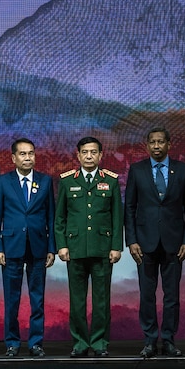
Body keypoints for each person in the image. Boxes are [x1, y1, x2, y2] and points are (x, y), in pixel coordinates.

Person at [125, 127, 185, 358]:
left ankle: (168, 339)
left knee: (171, 295)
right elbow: (130, 208)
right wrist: (132, 240)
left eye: (161, 142)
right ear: (147, 145)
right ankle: (149, 340)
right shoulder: (137, 170)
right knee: (146, 295)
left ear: (168, 144)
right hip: (144, 244)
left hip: (175, 244)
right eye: (152, 142)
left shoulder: (183, 170)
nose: (156, 146)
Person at [54, 136, 123, 357]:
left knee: (102, 300)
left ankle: (100, 342)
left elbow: (116, 217)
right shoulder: (67, 181)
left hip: (103, 249)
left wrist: (116, 247)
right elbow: (60, 218)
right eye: (85, 152)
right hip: (75, 249)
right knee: (77, 300)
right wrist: (62, 245)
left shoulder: (110, 181)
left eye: (93, 152)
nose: (89, 156)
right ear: (78, 155)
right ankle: (81, 343)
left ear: (101, 155)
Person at [0, 138, 55, 358]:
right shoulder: (3, 182)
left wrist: (51, 248)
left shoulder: (45, 181)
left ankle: (36, 342)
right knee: (12, 298)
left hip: (38, 247)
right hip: (11, 247)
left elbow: (51, 217)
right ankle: (12, 343)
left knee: (37, 299)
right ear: (13, 158)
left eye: (31, 154)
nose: (28, 158)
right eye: (23, 154)